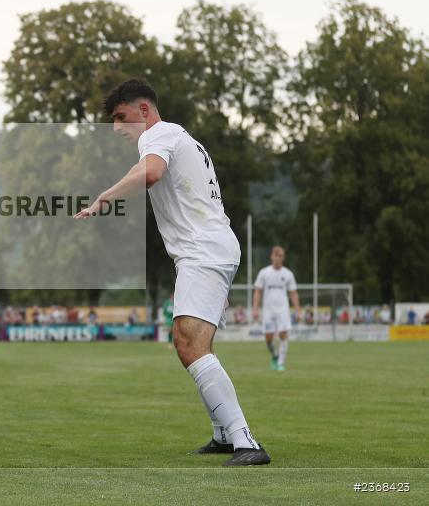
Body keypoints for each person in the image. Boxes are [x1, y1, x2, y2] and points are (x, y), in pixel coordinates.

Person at [75, 78, 269, 466]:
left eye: (121, 117)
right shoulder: (177, 137)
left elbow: (150, 173)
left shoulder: (157, 135)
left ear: (144, 110)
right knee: (193, 342)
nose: (117, 127)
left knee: (188, 342)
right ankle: (224, 435)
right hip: (212, 248)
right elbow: (144, 169)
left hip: (203, 251)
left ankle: (246, 442)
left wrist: (104, 198)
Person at [253, 246, 301, 372]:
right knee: (268, 338)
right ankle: (275, 355)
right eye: (276, 256)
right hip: (268, 310)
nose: (278, 258)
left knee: (283, 334)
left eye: (280, 256)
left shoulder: (288, 274)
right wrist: (255, 309)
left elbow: (293, 294)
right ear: (271, 257)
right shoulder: (264, 273)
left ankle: (280, 363)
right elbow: (258, 291)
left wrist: (297, 310)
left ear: (283, 258)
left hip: (283, 309)